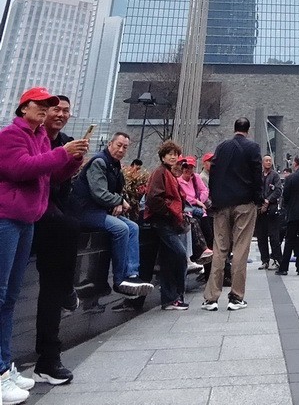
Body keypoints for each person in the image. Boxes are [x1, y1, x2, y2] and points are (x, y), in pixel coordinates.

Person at [0, 87, 88, 402]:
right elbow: (21, 169)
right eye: (45, 106)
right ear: (24, 108)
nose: (53, 111)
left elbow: (50, 178)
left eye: (59, 107)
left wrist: (73, 162)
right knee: (2, 295)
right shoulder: (13, 135)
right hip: (10, 218)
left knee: (9, 297)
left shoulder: (40, 139)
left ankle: (7, 367)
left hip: (27, 220)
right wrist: (63, 154)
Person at [33, 95, 83, 386]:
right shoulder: (30, 138)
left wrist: (73, 163)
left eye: (66, 110)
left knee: (52, 286)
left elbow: (56, 182)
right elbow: (28, 171)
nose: (61, 114)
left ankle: (48, 358)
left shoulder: (65, 140)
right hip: (30, 215)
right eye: (55, 109)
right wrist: (62, 155)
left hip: (51, 212)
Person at [70, 132, 153, 297]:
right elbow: (99, 193)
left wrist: (117, 202)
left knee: (134, 227)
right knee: (121, 228)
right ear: (110, 144)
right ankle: (120, 280)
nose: (121, 149)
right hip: (85, 211)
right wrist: (119, 201)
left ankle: (132, 274)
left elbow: (114, 192)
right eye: (119, 145)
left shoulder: (115, 166)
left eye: (125, 147)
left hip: (100, 210)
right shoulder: (100, 162)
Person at [201, 118, 262, 312]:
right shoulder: (253, 148)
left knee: (219, 249)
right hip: (244, 203)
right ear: (248, 130)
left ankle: (211, 298)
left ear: (234, 128)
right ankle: (235, 297)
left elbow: (214, 174)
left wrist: (214, 199)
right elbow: (257, 176)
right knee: (241, 249)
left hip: (221, 204)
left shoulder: (222, 147)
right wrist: (258, 199)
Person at [144, 141, 189, 310]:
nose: (172, 156)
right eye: (169, 154)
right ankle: (173, 296)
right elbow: (153, 198)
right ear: (162, 156)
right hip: (163, 222)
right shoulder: (160, 173)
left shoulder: (168, 173)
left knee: (169, 260)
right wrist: (169, 212)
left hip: (169, 221)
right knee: (179, 255)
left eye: (175, 154)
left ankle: (170, 299)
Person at [176, 156, 212, 267]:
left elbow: (204, 190)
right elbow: (184, 197)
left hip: (200, 210)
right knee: (193, 226)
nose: (188, 170)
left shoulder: (196, 178)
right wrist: (196, 201)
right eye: (186, 167)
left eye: (191, 167)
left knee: (209, 234)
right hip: (188, 210)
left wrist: (200, 201)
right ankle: (198, 254)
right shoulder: (178, 181)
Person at [256, 155, 282, 270]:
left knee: (274, 236)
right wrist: (261, 201)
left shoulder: (275, 175)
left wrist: (268, 201)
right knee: (261, 236)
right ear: (262, 162)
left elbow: (278, 190)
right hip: (260, 210)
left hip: (272, 210)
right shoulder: (259, 176)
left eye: (270, 161)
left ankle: (277, 259)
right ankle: (264, 260)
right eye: (266, 160)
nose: (268, 162)